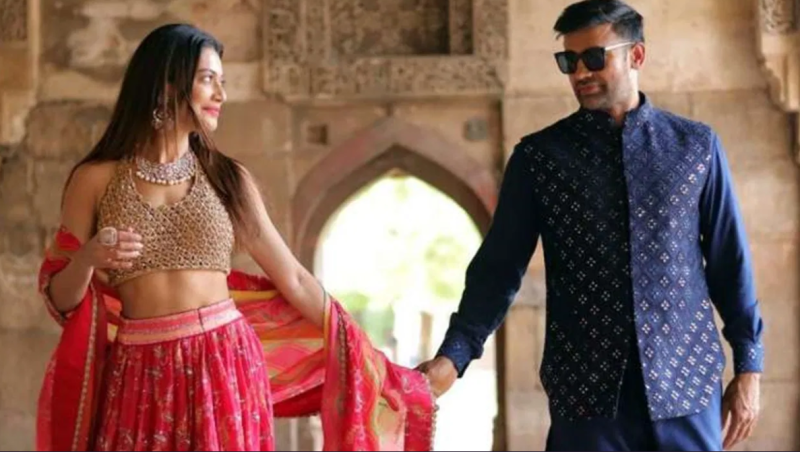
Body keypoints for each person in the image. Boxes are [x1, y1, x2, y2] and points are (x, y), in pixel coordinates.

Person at [36, 24, 435, 451]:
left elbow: (294, 279)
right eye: (208, 80)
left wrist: (362, 350)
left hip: (225, 362)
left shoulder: (227, 178)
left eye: (221, 82)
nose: (221, 95)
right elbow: (61, 299)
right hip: (140, 370)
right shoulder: (95, 179)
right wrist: (89, 258)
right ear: (166, 84)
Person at [417, 1, 764, 450]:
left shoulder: (696, 147)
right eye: (569, 61)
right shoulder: (540, 159)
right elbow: (498, 271)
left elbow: (729, 263)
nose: (580, 72)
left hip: (687, 388)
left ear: (636, 55)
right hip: (586, 400)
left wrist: (749, 367)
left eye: (595, 58)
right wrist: (454, 356)